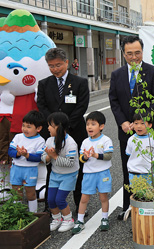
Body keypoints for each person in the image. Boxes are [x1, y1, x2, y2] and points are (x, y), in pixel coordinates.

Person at [109, 35, 154, 220]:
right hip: (126, 130)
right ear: (123, 54)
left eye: (137, 53)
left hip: (148, 131)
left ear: (143, 51)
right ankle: (128, 206)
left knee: (153, 167)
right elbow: (114, 101)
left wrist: (141, 122)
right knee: (128, 169)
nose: (134, 57)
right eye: (130, 53)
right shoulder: (117, 75)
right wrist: (123, 122)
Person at [37, 48, 89, 214]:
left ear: (67, 62)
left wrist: (65, 127)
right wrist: (54, 125)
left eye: (58, 65)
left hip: (75, 130)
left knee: (77, 166)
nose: (55, 69)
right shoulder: (44, 84)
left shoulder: (80, 82)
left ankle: (79, 204)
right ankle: (50, 205)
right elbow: (42, 106)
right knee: (52, 166)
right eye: (51, 66)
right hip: (52, 133)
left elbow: (82, 106)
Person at [72, 111, 113, 234]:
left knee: (103, 197)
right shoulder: (85, 142)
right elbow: (81, 159)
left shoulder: (106, 140)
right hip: (89, 174)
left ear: (101, 126)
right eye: (88, 124)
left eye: (93, 124)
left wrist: (96, 155)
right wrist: (85, 157)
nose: (89, 127)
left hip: (103, 173)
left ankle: (105, 219)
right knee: (84, 198)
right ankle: (80, 221)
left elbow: (108, 156)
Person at [42, 112, 79, 232]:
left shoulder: (70, 143)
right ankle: (57, 219)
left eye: (50, 125)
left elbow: (70, 163)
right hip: (55, 174)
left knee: (60, 199)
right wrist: (48, 156)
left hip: (69, 175)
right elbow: (43, 157)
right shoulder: (49, 140)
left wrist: (54, 156)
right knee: (51, 199)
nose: (48, 128)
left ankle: (68, 220)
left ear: (58, 126)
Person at [8, 110, 45, 212]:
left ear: (38, 128)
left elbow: (39, 157)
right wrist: (18, 154)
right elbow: (10, 151)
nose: (25, 129)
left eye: (29, 127)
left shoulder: (40, 141)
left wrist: (27, 155)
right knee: (16, 193)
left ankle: (33, 214)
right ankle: (18, 214)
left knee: (30, 193)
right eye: (23, 126)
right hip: (16, 168)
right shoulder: (18, 137)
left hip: (30, 170)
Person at [126, 114, 154, 182]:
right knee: (136, 192)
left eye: (142, 123)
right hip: (134, 173)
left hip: (150, 173)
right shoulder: (131, 140)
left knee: (151, 192)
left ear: (150, 125)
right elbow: (129, 155)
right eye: (136, 123)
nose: (139, 126)